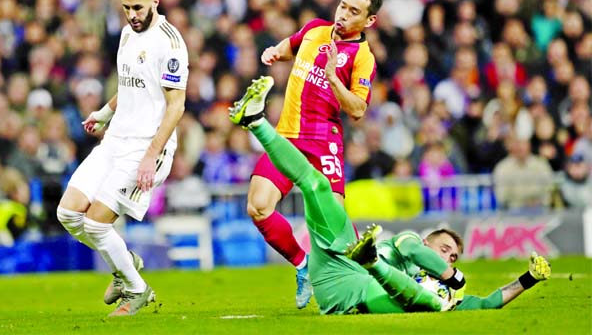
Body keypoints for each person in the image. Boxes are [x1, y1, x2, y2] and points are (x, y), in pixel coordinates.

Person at [229, 76, 551, 314]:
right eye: (444, 249)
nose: (447, 257)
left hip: (346, 294)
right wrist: (452, 275)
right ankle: (256, 122)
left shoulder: (442, 291)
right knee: (315, 184)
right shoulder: (411, 245)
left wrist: (528, 279)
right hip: (340, 261)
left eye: (452, 257)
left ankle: (371, 265)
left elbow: (488, 303)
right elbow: (414, 250)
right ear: (428, 243)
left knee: (434, 304)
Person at [56, 0, 188, 317]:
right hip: (115, 141)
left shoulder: (170, 43)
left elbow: (176, 106)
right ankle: (125, 262)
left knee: (98, 224)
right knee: (68, 213)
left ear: (155, 2)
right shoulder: (128, 34)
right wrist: (103, 113)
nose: (132, 14)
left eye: (139, 7)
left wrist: (150, 156)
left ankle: (137, 289)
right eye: (127, 7)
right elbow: (132, 87)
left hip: (146, 148)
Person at [249, 0, 382, 308]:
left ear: (369, 21)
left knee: (334, 224)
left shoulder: (363, 58)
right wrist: (275, 52)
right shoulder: (314, 30)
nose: (344, 15)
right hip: (287, 136)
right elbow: (289, 45)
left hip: (323, 141)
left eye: (354, 12)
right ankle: (302, 265)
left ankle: (376, 279)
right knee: (258, 206)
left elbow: (358, 110)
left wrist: (333, 76)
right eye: (343, 6)